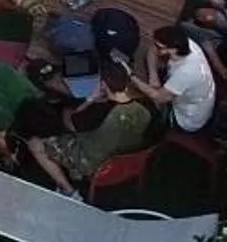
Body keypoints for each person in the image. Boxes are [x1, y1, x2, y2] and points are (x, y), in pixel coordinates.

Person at [23, 81, 154, 197]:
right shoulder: (145, 107)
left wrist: (90, 99)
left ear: (103, 85)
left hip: (93, 163)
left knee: (35, 143)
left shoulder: (99, 114)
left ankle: (69, 191)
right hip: (129, 158)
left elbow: (70, 122)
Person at [131, 25, 219, 135]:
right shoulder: (188, 44)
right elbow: (152, 50)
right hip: (188, 97)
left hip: (186, 120)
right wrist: (153, 77)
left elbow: (159, 97)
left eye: (160, 47)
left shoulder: (186, 73)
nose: (155, 48)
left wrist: (131, 77)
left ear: (174, 49)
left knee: (140, 105)